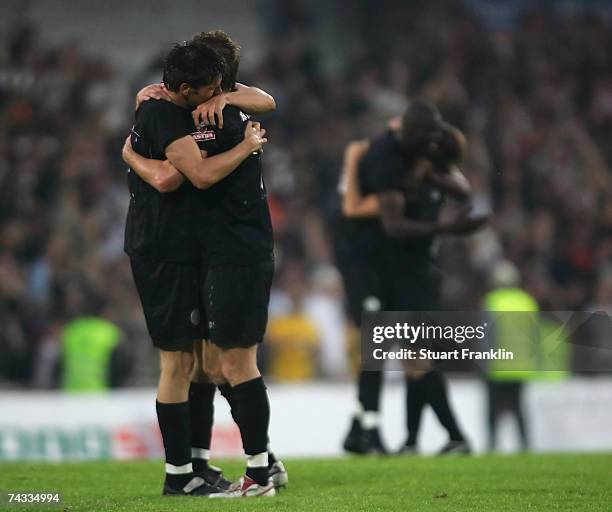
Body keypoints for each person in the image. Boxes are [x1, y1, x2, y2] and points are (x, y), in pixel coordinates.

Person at [128, 31, 286, 493]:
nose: (216, 93)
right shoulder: (162, 111)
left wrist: (234, 104)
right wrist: (246, 146)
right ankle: (194, 470)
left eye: (223, 84)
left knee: (210, 364)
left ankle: (222, 464)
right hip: (167, 253)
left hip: (211, 253)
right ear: (184, 89)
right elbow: (175, 178)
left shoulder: (228, 108)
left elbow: (267, 100)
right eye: (211, 86)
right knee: (189, 364)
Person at [337, 100, 487, 454]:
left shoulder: (428, 162)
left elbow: (464, 191)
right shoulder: (387, 160)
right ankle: (420, 439)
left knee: (414, 360)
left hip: (414, 273)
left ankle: (445, 437)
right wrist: (447, 226)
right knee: (412, 361)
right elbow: (389, 224)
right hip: (401, 271)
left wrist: (429, 174)